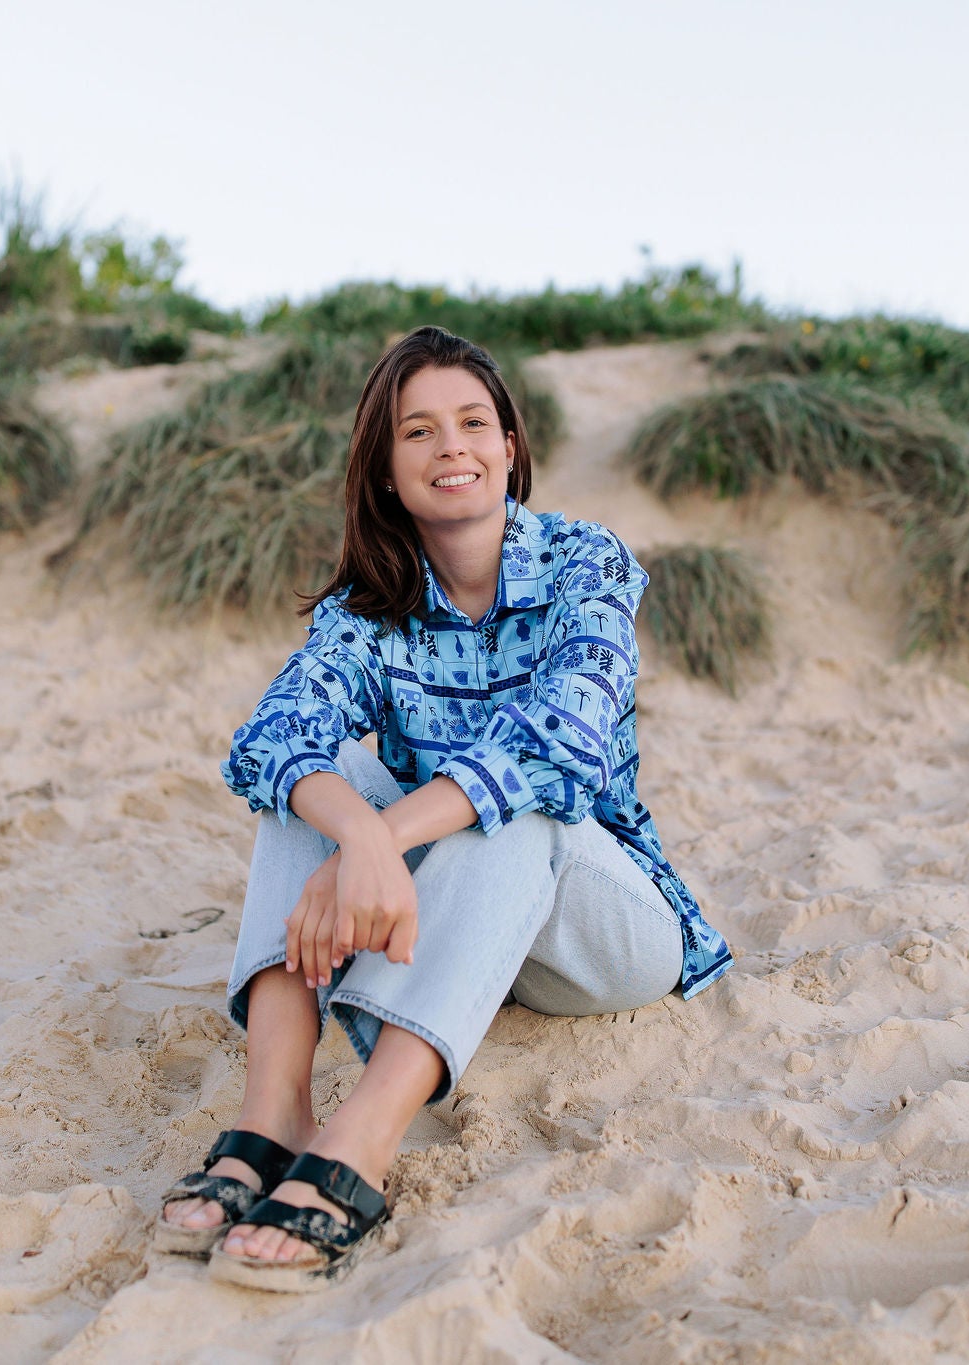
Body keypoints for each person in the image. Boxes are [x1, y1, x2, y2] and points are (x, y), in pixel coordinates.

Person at [157, 325, 732, 1293]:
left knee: (516, 807)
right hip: (471, 926)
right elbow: (267, 737)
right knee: (313, 778)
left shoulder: (582, 564)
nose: (450, 448)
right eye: (417, 432)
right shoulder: (369, 609)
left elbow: (565, 748)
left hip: (609, 931)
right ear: (385, 471)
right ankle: (274, 1112)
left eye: (472, 423)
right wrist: (349, 826)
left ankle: (363, 1139)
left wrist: (378, 839)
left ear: (509, 445)